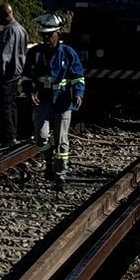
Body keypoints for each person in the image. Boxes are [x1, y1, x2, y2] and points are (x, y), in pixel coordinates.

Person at [23, 13, 85, 189]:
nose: (46, 39)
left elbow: (78, 77)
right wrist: (30, 92)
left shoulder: (68, 53)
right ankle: (49, 159)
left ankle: (60, 175)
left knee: (61, 140)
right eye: (43, 35)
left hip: (63, 102)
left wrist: (78, 93)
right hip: (42, 101)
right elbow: (27, 78)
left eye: (50, 35)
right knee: (41, 137)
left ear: (58, 34)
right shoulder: (34, 53)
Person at [0, 2, 29, 148]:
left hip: (6, 76)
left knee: (5, 107)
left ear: (5, 15)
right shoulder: (22, 30)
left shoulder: (8, 31)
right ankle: (13, 135)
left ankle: (8, 137)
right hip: (17, 74)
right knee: (12, 106)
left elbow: (3, 55)